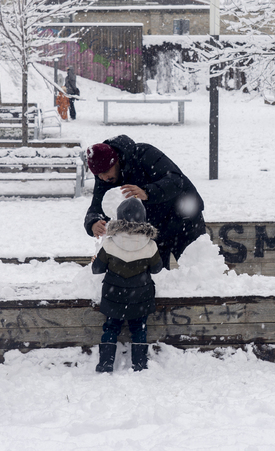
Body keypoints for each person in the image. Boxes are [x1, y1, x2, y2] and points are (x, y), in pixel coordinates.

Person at [84, 135, 205, 270]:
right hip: (153, 231)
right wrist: (93, 222)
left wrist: (147, 192)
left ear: (116, 160)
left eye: (106, 172)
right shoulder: (105, 178)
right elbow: (97, 206)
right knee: (155, 279)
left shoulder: (144, 154)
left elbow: (176, 180)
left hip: (185, 220)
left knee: (197, 274)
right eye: (98, 175)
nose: (103, 178)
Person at [91, 198, 163, 372]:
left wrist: (98, 261)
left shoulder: (109, 243)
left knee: (111, 327)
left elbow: (97, 269)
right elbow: (156, 269)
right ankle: (139, 364)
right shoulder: (150, 245)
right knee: (139, 329)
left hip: (113, 295)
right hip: (140, 296)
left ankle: (106, 363)